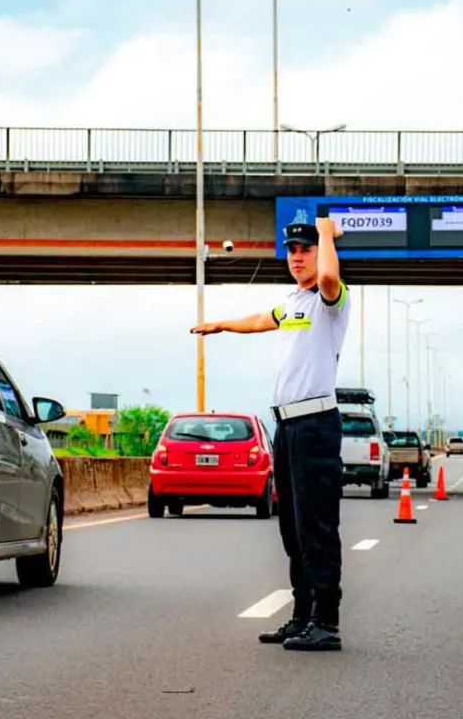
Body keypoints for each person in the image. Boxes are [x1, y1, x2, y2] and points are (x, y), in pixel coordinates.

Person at [190, 216, 350, 652]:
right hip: (288, 426)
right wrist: (221, 324)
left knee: (317, 526)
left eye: (307, 250)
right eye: (293, 252)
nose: (298, 258)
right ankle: (301, 616)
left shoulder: (329, 300)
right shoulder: (293, 302)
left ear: (320, 252)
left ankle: (326, 622)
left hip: (317, 426)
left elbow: (332, 275)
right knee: (292, 529)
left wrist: (326, 233)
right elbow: (262, 319)